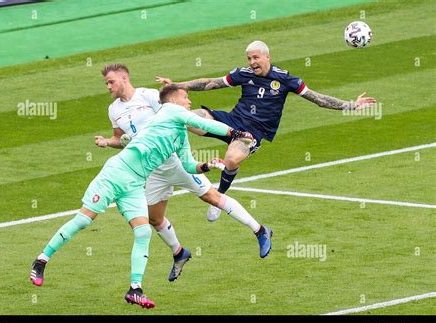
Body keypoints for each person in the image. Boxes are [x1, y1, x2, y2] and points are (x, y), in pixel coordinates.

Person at [29, 83, 265, 309]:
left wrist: (207, 165)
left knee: (143, 231)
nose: (189, 101)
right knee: (83, 220)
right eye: (186, 97)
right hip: (116, 173)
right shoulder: (170, 110)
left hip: (135, 184)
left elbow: (188, 164)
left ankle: (135, 289)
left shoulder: (179, 135)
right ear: (174, 100)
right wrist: (236, 132)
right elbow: (202, 122)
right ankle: (41, 260)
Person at [155, 40, 377, 222]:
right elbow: (210, 83)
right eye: (249, 58)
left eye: (255, 58)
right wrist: (177, 86)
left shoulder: (286, 80)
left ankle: (220, 194)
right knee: (187, 118)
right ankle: (165, 154)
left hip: (254, 132)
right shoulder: (243, 74)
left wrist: (350, 105)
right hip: (231, 120)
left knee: (231, 160)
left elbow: (318, 99)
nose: (252, 62)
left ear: (267, 57)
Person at [94, 64, 274, 281]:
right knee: (154, 218)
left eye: (111, 81)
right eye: (106, 83)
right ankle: (179, 253)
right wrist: (108, 142)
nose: (108, 86)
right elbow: (120, 138)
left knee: (212, 197)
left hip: (174, 161)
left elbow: (179, 111)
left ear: (124, 78)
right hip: (152, 169)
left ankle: (260, 230)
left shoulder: (149, 96)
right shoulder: (114, 110)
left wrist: (233, 132)